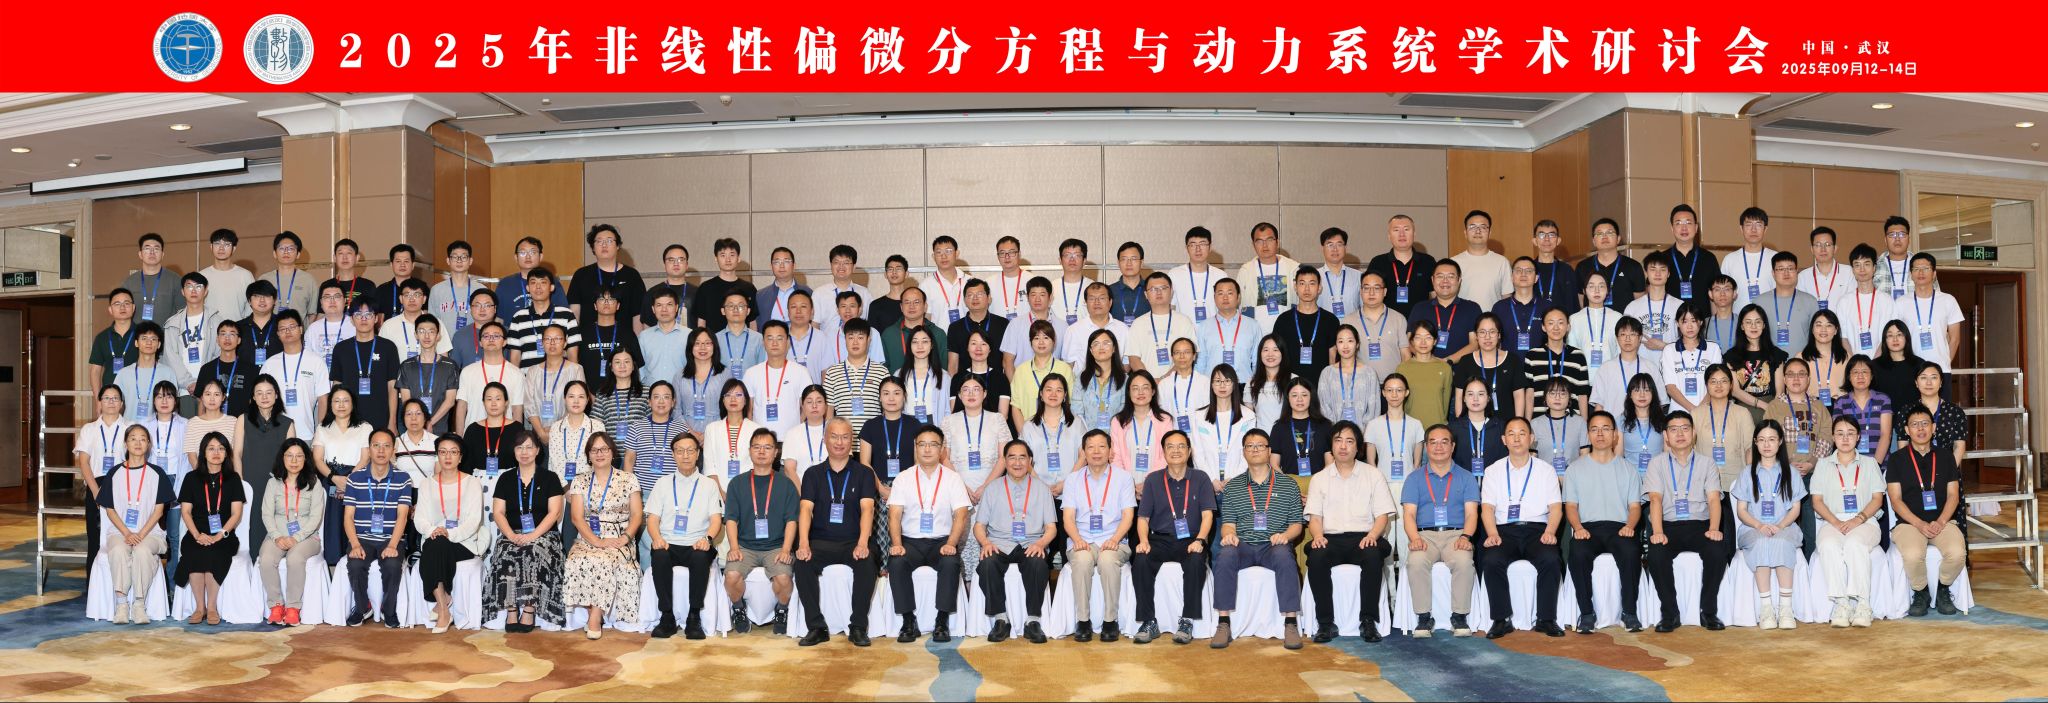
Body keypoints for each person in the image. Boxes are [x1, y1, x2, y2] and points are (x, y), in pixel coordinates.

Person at [1210, 429, 1306, 649]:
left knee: (1285, 557)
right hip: (1242, 545)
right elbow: (1228, 524)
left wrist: (1285, 536)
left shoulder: (1288, 484)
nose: (1255, 450)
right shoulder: (1233, 486)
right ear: (1243, 452)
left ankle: (1290, 624)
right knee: (1225, 555)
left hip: (1273, 544)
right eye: (1249, 446)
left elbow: (1296, 525)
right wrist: (1228, 535)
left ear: (1269, 451)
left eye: (1260, 445)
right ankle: (1223, 623)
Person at [1304, 421, 1396, 643]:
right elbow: (1315, 518)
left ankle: (1368, 621)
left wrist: (1372, 536)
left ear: (1358, 447)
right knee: (1316, 557)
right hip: (1330, 539)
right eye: (1338, 441)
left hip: (1364, 537)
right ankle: (1325, 623)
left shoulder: (1373, 475)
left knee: (1373, 555)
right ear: (1331, 446)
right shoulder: (1319, 478)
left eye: (1349, 441)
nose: (1343, 446)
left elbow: (1382, 516)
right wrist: (1318, 536)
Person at [1476, 417, 1567, 638]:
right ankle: (1501, 619)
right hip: (1504, 531)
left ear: (1531, 438)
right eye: (1511, 434)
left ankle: (1546, 619)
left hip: (1538, 530)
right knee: (1491, 559)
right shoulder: (1493, 471)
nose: (1517, 439)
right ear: (1504, 439)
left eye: (1522, 433)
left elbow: (1556, 508)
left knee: (1551, 559)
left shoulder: (1546, 470)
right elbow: (1487, 508)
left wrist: (1550, 532)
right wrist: (1492, 534)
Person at [1641, 411, 1731, 632]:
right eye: (1674, 429)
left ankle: (1708, 612)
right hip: (1669, 526)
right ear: (1666, 436)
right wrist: (1657, 532)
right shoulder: (1656, 463)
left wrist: (1714, 529)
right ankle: (1669, 614)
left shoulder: (1707, 463)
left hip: (1700, 525)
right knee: (1656, 554)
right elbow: (1655, 500)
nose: (1680, 434)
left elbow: (1713, 499)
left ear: (1694, 433)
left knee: (1717, 550)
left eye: (1685, 428)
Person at [795, 418, 881, 647]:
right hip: (821, 541)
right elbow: (805, 509)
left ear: (852, 441)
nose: (839, 442)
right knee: (802, 562)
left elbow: (868, 509)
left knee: (867, 562)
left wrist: (862, 543)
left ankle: (858, 627)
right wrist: (803, 543)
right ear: (825, 440)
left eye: (845, 437)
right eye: (834, 436)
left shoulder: (864, 473)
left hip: (854, 540)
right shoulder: (812, 474)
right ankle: (816, 627)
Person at [1128, 430, 1215, 645]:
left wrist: (1200, 540)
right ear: (1163, 451)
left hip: (1191, 540)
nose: (1176, 451)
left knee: (1196, 562)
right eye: (1170, 446)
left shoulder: (1201, 478)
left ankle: (1187, 621)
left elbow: (1208, 515)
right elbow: (1143, 518)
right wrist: (1143, 541)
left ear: (1189, 451)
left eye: (1181, 446)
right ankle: (1148, 621)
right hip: (1159, 540)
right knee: (1141, 560)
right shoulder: (1153, 479)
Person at [887, 425, 973, 643]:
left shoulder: (953, 478)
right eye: (922, 444)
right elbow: (894, 515)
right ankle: (908, 621)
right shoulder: (903, 478)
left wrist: (951, 543)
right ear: (915, 447)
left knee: (951, 562)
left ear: (942, 448)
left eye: (933, 445)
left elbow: (961, 515)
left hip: (941, 541)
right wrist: (897, 544)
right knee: (896, 562)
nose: (927, 450)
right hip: (910, 542)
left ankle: (942, 621)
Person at [1562, 411, 1645, 633]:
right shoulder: (1575, 469)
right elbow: (1571, 506)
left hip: (1620, 528)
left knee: (1631, 551)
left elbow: (1635, 507)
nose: (1600, 434)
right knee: (1578, 553)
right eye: (1595, 429)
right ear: (1588, 434)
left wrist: (1630, 527)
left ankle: (1629, 613)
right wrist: (1578, 528)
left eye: (1606, 429)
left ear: (1615, 435)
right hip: (1587, 529)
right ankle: (1586, 614)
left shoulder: (1628, 469)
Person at [974, 440, 1057, 644]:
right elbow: (979, 526)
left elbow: (1051, 528)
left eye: (1022, 457)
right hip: (999, 543)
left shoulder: (1042, 489)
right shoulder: (992, 488)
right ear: (1004, 460)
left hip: (1031, 543)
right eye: (1012, 457)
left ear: (1030, 461)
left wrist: (1041, 544)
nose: (1017, 463)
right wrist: (985, 543)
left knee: (1038, 564)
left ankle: (1033, 621)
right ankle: (1001, 619)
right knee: (988, 563)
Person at [486, 428, 569, 631]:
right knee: (506, 552)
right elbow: (498, 512)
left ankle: (529, 610)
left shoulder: (550, 478)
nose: (524, 452)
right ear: (514, 451)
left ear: (538, 450)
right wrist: (511, 535)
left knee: (533, 551)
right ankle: (512, 609)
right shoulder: (505, 478)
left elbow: (554, 513)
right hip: (512, 533)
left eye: (529, 447)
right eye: (519, 447)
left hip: (544, 535)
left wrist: (532, 535)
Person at [562, 432, 643, 639]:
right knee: (575, 559)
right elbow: (577, 517)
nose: (599, 454)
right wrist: (596, 541)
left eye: (604, 449)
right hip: (588, 536)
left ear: (612, 452)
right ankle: (593, 612)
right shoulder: (579, 480)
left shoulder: (628, 479)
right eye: (594, 450)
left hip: (619, 537)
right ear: (588, 455)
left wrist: (625, 538)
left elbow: (636, 515)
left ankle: (594, 617)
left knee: (603, 560)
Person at [1401, 424, 1480, 636]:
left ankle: (1459, 616)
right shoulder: (1414, 478)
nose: (1438, 447)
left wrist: (1466, 536)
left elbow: (1472, 514)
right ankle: (1423, 617)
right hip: (1424, 535)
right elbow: (1408, 514)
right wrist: (1414, 538)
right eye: (1433, 442)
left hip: (1456, 534)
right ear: (1426, 447)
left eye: (1444, 442)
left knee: (1464, 561)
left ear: (1452, 446)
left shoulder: (1466, 477)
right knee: (1416, 561)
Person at [1887, 405, 1966, 617]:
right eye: (1915, 424)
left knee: (1958, 553)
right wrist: (1919, 524)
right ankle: (1921, 592)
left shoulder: (1946, 457)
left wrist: (1941, 522)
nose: (1920, 429)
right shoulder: (1897, 459)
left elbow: (1953, 495)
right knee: (1913, 555)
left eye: (1925, 423)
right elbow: (1895, 500)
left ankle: (1943, 589)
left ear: (1934, 427)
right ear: (1907, 430)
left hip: (1942, 522)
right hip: (1909, 524)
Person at [1061, 430, 1137, 643]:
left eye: (1102, 446)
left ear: (1110, 451)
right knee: (1082, 560)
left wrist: (1114, 539)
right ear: (1083, 452)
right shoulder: (1073, 479)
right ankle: (1083, 621)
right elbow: (1068, 518)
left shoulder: (1123, 478)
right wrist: (1077, 539)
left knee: (1107, 559)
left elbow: (1128, 516)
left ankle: (1110, 621)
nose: (1096, 451)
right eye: (1091, 447)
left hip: (1115, 539)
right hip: (1082, 539)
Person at [645, 433, 722, 639]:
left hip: (697, 543)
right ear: (673, 454)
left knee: (700, 557)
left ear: (698, 454)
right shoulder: (662, 483)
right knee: (659, 555)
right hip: (668, 543)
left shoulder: (709, 484)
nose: (685, 455)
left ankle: (694, 617)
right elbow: (652, 519)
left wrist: (707, 539)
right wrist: (657, 538)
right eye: (680, 451)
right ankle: (667, 617)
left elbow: (716, 519)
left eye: (690, 450)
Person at [1811, 415, 1886, 627]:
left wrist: (1857, 519)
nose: (1845, 439)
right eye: (1840, 434)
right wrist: (1836, 523)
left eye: (1850, 433)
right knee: (1828, 545)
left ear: (1859, 437)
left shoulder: (1870, 463)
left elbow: (1877, 499)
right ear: (1833, 437)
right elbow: (1817, 501)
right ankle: (1841, 603)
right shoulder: (1823, 465)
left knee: (1854, 543)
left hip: (1865, 522)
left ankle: (1863, 603)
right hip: (1832, 521)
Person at [724, 428, 800, 635]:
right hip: (745, 547)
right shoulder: (737, 483)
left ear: (776, 452)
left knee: (784, 579)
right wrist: (734, 547)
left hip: (776, 547)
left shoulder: (786, 484)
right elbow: (731, 519)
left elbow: (791, 521)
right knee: (731, 576)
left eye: (767, 447)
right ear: (749, 451)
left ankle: (781, 610)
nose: (761, 452)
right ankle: (738, 609)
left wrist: (786, 550)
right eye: (756, 447)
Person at [1732, 421, 1806, 631]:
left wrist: (1780, 526)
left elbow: (1795, 509)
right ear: (1755, 443)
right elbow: (1741, 510)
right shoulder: (1747, 473)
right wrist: (1759, 525)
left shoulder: (1791, 473)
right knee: (1762, 542)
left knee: (1781, 542)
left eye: (1772, 439)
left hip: (1785, 526)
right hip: (1753, 528)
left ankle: (1785, 608)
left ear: (1780, 442)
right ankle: (1766, 608)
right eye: (1762, 440)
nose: (1767, 445)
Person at [97, 424, 174, 624]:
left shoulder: (157, 473)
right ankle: (122, 605)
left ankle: (139, 604)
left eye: (142, 439)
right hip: (120, 532)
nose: (138, 443)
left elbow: (158, 511)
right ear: (126, 443)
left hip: (151, 532)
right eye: (133, 438)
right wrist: (127, 533)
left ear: (148, 444)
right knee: (118, 550)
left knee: (142, 550)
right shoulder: (114, 473)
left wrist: (140, 534)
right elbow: (110, 510)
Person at [414, 432, 487, 634]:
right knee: (435, 546)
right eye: (443, 452)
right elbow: (419, 519)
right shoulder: (426, 483)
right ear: (437, 455)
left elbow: (474, 521)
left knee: (435, 548)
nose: (448, 456)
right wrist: (433, 531)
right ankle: (444, 606)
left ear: (460, 457)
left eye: (453, 452)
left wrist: (449, 534)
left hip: (465, 542)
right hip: (435, 538)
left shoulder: (472, 482)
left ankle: (442, 605)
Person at [340, 433, 412, 628]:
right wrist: (355, 544)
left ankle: (389, 610)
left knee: (392, 565)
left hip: (391, 538)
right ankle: (363, 607)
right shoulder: (355, 478)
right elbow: (348, 517)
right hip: (362, 538)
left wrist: (393, 545)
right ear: (369, 449)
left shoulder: (403, 479)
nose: (381, 451)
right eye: (376, 445)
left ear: (393, 450)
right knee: (355, 564)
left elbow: (402, 516)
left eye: (386, 446)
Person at [175, 431, 244, 625]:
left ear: (227, 453)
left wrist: (220, 534)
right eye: (211, 448)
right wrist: (197, 535)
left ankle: (212, 607)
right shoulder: (191, 478)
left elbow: (236, 513)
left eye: (221, 448)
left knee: (214, 553)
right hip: (196, 533)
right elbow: (186, 512)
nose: (216, 453)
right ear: (203, 453)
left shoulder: (233, 479)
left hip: (224, 534)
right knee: (194, 552)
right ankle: (200, 608)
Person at [258, 438, 322, 626]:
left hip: (307, 537)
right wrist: (277, 536)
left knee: (294, 558)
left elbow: (315, 517)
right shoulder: (273, 483)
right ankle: (276, 605)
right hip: (276, 535)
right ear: (282, 458)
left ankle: (293, 608)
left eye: (299, 456)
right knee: (266, 558)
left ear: (305, 459)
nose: (294, 461)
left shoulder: (314, 482)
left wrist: (296, 538)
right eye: (289, 456)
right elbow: (266, 513)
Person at [312, 389, 372, 565]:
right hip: (330, 478)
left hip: (357, 478)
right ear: (330, 405)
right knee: (333, 519)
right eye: (336, 401)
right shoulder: (323, 428)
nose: (341, 405)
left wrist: (350, 481)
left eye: (345, 400)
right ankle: (333, 559)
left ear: (353, 404)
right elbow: (317, 459)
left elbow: (366, 457)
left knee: (354, 517)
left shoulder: (364, 427)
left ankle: (356, 556)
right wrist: (334, 478)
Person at [822, 319, 890, 438]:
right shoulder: (832, 373)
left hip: (874, 440)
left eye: (860, 337)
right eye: (851, 337)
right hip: (842, 442)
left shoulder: (882, 372)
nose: (855, 342)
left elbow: (887, 409)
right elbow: (829, 412)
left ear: (868, 340)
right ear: (845, 340)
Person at [568, 224, 647, 325]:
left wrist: (637, 335)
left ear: (617, 246)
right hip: (588, 334)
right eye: (599, 241)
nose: (604, 245)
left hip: (623, 334)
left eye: (609, 241)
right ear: (593, 248)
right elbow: (574, 311)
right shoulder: (581, 275)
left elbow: (638, 314)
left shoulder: (631, 275)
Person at [113, 323, 193, 422]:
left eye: (153, 339)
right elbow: (115, 405)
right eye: (144, 338)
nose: (149, 342)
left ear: (159, 344)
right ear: (136, 343)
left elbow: (173, 406)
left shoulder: (168, 373)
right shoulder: (123, 373)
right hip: (129, 428)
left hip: (158, 428)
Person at [455, 321, 528, 428]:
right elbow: (461, 407)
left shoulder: (516, 373)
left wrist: (518, 436)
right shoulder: (467, 372)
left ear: (505, 342)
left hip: (505, 433)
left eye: (496, 336)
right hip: (473, 433)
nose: (491, 339)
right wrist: (460, 437)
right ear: (480, 342)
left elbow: (517, 410)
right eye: (486, 336)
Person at [1192, 367, 1256, 490]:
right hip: (1207, 483)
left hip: (1238, 483)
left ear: (1234, 384)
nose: (1222, 385)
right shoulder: (1199, 416)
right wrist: (1211, 479)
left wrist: (1234, 478)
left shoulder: (1248, 416)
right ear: (1211, 385)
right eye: (1217, 381)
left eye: (1227, 381)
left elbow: (1249, 451)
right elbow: (1197, 452)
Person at [1450, 314, 1526, 418]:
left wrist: (1518, 422)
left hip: (1507, 423)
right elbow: (1459, 397)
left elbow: (1519, 395)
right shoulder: (1465, 361)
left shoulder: (1512, 360)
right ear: (1476, 336)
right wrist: (1461, 423)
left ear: (1499, 335)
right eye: (1482, 332)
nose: (1487, 337)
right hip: (1473, 424)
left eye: (1492, 332)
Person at [396, 315, 461, 434]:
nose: (426, 336)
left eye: (431, 331)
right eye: (422, 331)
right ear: (416, 335)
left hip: (440, 429)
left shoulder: (450, 366)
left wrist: (430, 422)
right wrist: (420, 422)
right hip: (413, 427)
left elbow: (450, 401)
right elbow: (406, 401)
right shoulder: (406, 365)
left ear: (438, 336)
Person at [1698, 364, 1758, 492]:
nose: (1719, 386)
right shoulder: (1695, 414)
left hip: (1736, 482)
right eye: (1713, 381)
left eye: (1724, 381)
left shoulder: (1742, 413)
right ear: (1706, 385)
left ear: (1731, 385)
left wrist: (1751, 476)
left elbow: (1750, 447)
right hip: (1703, 482)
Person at [508, 269, 583, 369]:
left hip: (560, 376)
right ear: (528, 288)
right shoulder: (518, 317)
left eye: (543, 282)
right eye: (533, 282)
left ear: (551, 287)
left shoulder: (567, 315)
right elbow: (515, 357)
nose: (538, 287)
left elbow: (573, 355)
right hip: (527, 376)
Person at [1276, 266, 1340, 381]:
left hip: (1321, 384)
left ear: (1319, 288)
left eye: (1312, 283)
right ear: (1295, 287)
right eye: (1302, 283)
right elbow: (1277, 354)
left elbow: (1333, 356)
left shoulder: (1330, 320)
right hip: (1290, 385)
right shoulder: (1283, 320)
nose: (1306, 289)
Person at [1367, 215, 1438, 318]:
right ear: (1389, 236)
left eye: (1406, 229)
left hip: (1420, 323)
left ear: (1414, 234)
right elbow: (1369, 296)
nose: (1402, 234)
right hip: (1386, 323)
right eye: (1396, 230)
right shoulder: (1377, 263)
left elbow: (1435, 296)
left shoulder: (1428, 262)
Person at [1525, 309, 1592, 414]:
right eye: (1551, 323)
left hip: (1571, 419)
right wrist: (1528, 422)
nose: (1556, 327)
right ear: (1543, 327)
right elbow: (1529, 394)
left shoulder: (1578, 356)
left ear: (1568, 327)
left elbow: (1582, 394)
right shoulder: (1532, 355)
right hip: (1539, 419)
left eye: (1560, 323)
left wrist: (1583, 422)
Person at [1239, 222, 1303, 331]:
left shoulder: (1293, 269)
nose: (1265, 245)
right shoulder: (1245, 271)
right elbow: (1238, 305)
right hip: (1255, 334)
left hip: (1287, 332)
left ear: (1277, 242)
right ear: (1253, 244)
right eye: (1259, 241)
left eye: (1269, 240)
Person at [1649, 204, 1720, 302]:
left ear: (1696, 227)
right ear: (1672, 228)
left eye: (1688, 223)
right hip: (1670, 312)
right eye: (1678, 223)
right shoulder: (1662, 259)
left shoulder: (1709, 258)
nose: (1684, 228)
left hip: (1701, 312)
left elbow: (1715, 294)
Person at [1591, 317, 1661, 414]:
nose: (1627, 339)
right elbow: (1599, 405)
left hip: (1643, 423)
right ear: (1617, 338)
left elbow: (1659, 403)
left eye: (1632, 334)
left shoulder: (1651, 368)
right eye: (1623, 334)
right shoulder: (1605, 368)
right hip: (1612, 422)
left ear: (1640, 338)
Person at [1661, 303, 1722, 413]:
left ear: (1701, 322)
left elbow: (1715, 384)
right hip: (1678, 414)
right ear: (1677, 323)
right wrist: (1693, 410)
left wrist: (1700, 410)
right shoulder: (1669, 350)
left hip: (1707, 411)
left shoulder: (1713, 348)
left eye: (1693, 321)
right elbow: (1670, 387)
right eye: (1684, 321)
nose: (1689, 326)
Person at [1168, 227, 1234, 327]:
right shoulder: (1174, 275)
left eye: (1202, 244)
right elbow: (1170, 307)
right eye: (1193, 244)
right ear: (1187, 248)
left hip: (1214, 331)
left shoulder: (1221, 275)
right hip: (1184, 332)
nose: (1198, 249)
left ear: (1210, 247)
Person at [523, 325, 586, 431]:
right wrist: (541, 433)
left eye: (557, 338)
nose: (552, 342)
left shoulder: (576, 370)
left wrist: (555, 430)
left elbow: (577, 403)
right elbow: (528, 405)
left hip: (567, 431)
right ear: (542, 343)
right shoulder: (532, 371)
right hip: (537, 432)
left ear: (565, 343)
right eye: (548, 339)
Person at [1840, 244, 1897, 359]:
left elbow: (1889, 335)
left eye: (1866, 264)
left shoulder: (1886, 300)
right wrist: (1855, 363)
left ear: (1874, 268)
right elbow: (1843, 338)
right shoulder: (1844, 302)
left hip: (1881, 363)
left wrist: (1875, 362)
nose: (1862, 269)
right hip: (1853, 364)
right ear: (1852, 270)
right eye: (1857, 265)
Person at [1198, 278, 1262, 380]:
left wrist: (1255, 384)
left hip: (1244, 383)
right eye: (1220, 293)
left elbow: (1257, 361)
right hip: (1213, 384)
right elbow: (1201, 361)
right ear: (1214, 298)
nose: (1225, 297)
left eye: (1230, 293)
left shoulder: (1253, 325)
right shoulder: (1203, 326)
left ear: (1238, 297)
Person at [166, 272, 225, 383]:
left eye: (198, 286)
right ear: (183, 291)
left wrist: (206, 381)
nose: (193, 291)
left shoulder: (217, 321)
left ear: (205, 291)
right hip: (182, 387)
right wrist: (188, 383)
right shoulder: (172, 324)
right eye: (189, 286)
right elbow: (171, 358)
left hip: (210, 385)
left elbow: (220, 353)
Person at [1319, 325, 1382, 426]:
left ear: (1357, 344)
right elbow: (1324, 407)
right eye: (1340, 341)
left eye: (1350, 341)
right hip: (1334, 432)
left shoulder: (1369, 373)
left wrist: (1363, 431)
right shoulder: (1327, 373)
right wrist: (1336, 430)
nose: (1345, 346)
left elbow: (1374, 408)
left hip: (1363, 432)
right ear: (1336, 345)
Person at [1834, 355, 1894, 459]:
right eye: (1855, 372)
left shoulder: (1883, 400)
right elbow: (1839, 437)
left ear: (1872, 376)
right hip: (1850, 464)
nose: (1860, 376)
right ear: (1849, 377)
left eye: (1865, 372)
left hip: (1879, 463)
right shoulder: (1840, 403)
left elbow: (1886, 435)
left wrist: (1875, 465)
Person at [1421, 261, 1483, 362]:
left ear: (1459, 281)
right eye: (1440, 276)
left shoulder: (1472, 308)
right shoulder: (1420, 308)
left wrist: (1447, 361)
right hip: (1426, 367)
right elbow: (1410, 341)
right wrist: (1431, 362)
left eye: (1450, 276)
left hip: (1462, 368)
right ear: (1432, 280)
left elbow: (1475, 343)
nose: (1445, 281)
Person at [1396, 323, 1455, 428]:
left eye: (1428, 337)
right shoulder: (1402, 368)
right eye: (1418, 338)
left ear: (1435, 341)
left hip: (1437, 427)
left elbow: (1446, 402)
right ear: (1412, 341)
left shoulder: (1445, 368)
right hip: (1410, 427)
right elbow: (1399, 403)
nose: (1423, 342)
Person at [1760, 252, 1820, 354]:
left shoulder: (1810, 301)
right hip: (1768, 361)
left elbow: (1816, 336)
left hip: (1802, 361)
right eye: (1781, 269)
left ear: (1797, 271)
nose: (1786, 273)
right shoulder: (1759, 302)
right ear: (1773, 273)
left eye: (1790, 268)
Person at [1622, 258, 1680, 364]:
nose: (1658, 273)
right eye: (1653, 269)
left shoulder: (1680, 306)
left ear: (1668, 274)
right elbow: (1624, 341)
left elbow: (1689, 344)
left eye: (1662, 269)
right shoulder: (1632, 307)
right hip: (1640, 368)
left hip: (1672, 366)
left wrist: (1664, 346)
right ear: (1646, 273)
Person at [1451, 210, 1513, 305]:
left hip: (1493, 314)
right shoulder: (1454, 262)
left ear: (1489, 233)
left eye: (1483, 227)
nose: (1478, 231)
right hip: (1462, 314)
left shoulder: (1502, 262)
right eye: (1472, 227)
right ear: (1465, 233)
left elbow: (1506, 298)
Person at [461, 382, 520, 482]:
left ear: (506, 402)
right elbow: (465, 465)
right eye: (489, 399)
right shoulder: (473, 430)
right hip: (478, 484)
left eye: (498, 399)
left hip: (510, 482)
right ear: (483, 402)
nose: (493, 404)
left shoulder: (517, 428)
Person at [1451, 377, 1507, 480]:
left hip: (1494, 486)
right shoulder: (1453, 429)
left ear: (1488, 398)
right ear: (1464, 398)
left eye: (1480, 394)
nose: (1475, 399)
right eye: (1470, 394)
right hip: (1462, 487)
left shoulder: (1501, 427)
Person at [1722, 207, 1779, 308]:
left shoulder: (1776, 258)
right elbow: (1723, 293)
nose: (1753, 229)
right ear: (1741, 229)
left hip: (1768, 316)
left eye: (1758, 225)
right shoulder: (1729, 259)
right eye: (1748, 225)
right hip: (1738, 316)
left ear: (1765, 229)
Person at [1531, 379, 1588, 480]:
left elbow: (1584, 455)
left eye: (1562, 394)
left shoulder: (1580, 422)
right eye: (1552, 393)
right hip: (1543, 478)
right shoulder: (1535, 424)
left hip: (1573, 478)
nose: (1557, 398)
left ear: (1569, 398)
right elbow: (1532, 457)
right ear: (1545, 398)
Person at [1492, 257, 1550, 354]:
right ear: (1512, 277)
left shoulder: (1547, 307)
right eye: (1518, 270)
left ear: (1536, 278)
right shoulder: (1499, 307)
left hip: (1540, 362)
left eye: (1529, 271)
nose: (1523, 274)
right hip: (1508, 362)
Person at [674, 329, 727, 436]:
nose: (702, 347)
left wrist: (709, 434)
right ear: (690, 347)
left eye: (707, 343)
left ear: (714, 346)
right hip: (686, 437)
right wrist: (691, 433)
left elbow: (728, 409)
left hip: (717, 434)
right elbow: (676, 410)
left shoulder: (725, 374)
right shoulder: (680, 376)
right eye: (697, 343)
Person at [377, 278, 444, 362]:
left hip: (431, 370)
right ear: (401, 299)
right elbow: (381, 356)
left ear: (424, 299)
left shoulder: (436, 323)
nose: (412, 299)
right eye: (407, 295)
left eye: (417, 295)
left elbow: (443, 356)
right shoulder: (388, 326)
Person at [577, 286, 639, 376]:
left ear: (618, 305)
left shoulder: (627, 333)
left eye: (611, 299)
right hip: (588, 385)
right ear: (595, 306)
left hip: (620, 384)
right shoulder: (583, 333)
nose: (606, 303)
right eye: (602, 299)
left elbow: (636, 364)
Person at [429, 241, 486, 335]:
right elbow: (432, 323)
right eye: (455, 257)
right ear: (448, 260)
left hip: (473, 342)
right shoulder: (436, 290)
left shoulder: (481, 290)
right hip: (444, 343)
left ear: (470, 261)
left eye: (464, 257)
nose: (459, 260)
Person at [121, 233, 180, 325]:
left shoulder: (175, 280)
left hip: (167, 333)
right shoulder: (129, 282)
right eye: (147, 248)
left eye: (156, 248)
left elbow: (182, 312)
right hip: (137, 333)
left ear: (162, 254)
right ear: (140, 254)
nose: (152, 252)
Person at [197, 320, 254, 415]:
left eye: (232, 334)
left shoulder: (250, 369)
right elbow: (201, 402)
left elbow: (253, 402)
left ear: (239, 340)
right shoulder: (206, 369)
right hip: (213, 422)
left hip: (241, 422)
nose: (227, 338)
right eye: (223, 334)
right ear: (217, 339)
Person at [89, 289, 140, 390]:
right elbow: (95, 371)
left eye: (127, 303)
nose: (122, 307)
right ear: (110, 310)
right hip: (110, 395)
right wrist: (98, 397)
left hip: (137, 393)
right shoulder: (101, 338)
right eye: (117, 304)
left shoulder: (143, 334)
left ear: (133, 308)